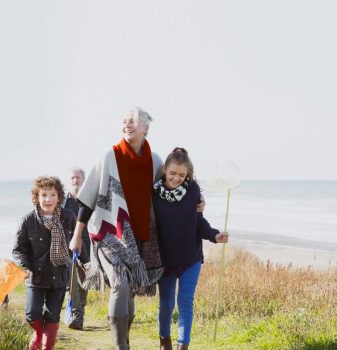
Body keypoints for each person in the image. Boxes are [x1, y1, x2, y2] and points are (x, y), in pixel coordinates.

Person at [69, 106, 166, 350]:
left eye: (132, 121)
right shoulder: (109, 157)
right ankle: (120, 347)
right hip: (108, 234)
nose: (126, 125)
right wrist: (77, 236)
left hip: (140, 237)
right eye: (123, 121)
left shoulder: (155, 161)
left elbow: (171, 191)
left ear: (146, 127)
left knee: (130, 290)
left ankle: (124, 340)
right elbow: (88, 199)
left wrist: (197, 200)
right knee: (121, 284)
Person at [153, 148, 229, 350]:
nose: (176, 178)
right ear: (164, 171)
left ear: (188, 174)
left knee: (185, 301)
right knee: (167, 305)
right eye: (172, 173)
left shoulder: (193, 191)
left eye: (181, 175)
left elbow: (199, 223)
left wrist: (215, 235)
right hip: (165, 260)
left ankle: (183, 344)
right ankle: (164, 340)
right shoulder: (153, 194)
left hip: (190, 258)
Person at [12, 176, 75, 350]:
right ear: (37, 197)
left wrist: (86, 262)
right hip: (36, 276)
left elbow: (79, 242)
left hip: (59, 275)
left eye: (53, 194)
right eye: (44, 195)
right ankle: (37, 336)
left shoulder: (68, 217)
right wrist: (25, 267)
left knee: (53, 315)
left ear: (59, 197)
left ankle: (47, 347)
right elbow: (19, 249)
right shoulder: (28, 220)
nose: (48, 199)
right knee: (32, 313)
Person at [63, 166, 91, 330]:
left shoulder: (88, 201)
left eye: (78, 178)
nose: (75, 180)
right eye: (72, 178)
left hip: (88, 250)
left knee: (84, 283)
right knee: (71, 282)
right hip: (68, 249)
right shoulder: (63, 202)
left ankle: (79, 312)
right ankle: (75, 316)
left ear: (83, 180)